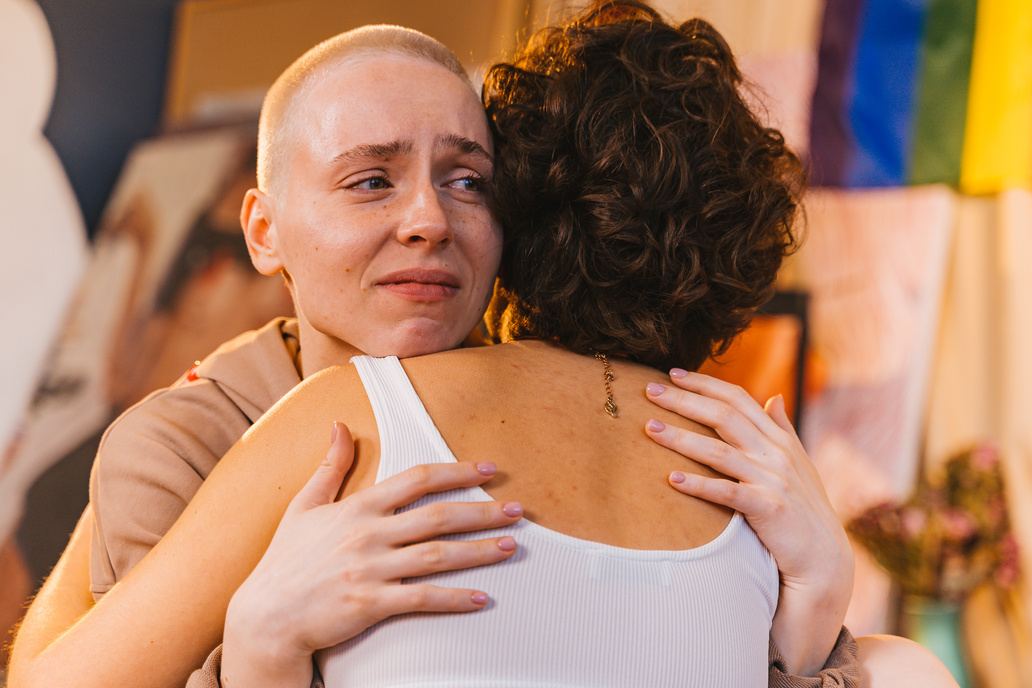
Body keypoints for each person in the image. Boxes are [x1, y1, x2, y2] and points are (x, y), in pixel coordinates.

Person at [5, 7, 932, 688]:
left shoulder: (622, 431)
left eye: (468, 180)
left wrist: (810, 615)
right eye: (371, 181)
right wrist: (261, 642)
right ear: (263, 231)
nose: (427, 221)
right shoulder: (184, 439)